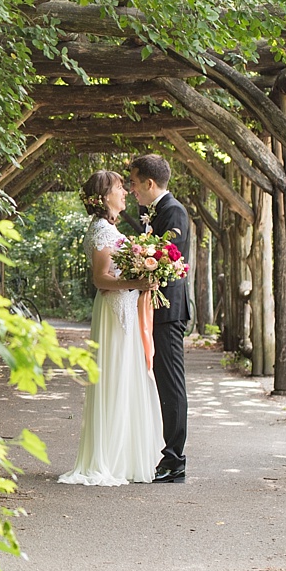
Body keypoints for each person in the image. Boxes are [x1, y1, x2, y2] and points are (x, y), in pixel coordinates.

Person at [59, 169, 164, 486]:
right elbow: (100, 278)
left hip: (123, 309)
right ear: (105, 197)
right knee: (115, 376)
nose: (125, 192)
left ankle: (122, 456)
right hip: (114, 310)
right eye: (120, 187)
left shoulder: (104, 228)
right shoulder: (102, 231)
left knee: (124, 376)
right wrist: (138, 281)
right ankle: (110, 458)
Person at [128, 153, 193, 483]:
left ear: (150, 183)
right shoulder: (151, 212)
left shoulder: (174, 212)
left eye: (135, 183)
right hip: (151, 307)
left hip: (167, 312)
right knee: (159, 383)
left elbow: (168, 261)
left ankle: (174, 459)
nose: (132, 190)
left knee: (171, 384)